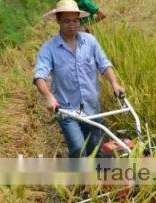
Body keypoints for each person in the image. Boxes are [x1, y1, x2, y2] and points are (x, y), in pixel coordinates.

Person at [33, 0, 124, 157]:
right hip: (67, 111)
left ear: (79, 20)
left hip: (92, 108)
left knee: (95, 150)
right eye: (66, 21)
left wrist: (115, 84)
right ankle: (79, 179)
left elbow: (104, 64)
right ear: (58, 21)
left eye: (75, 20)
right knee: (78, 148)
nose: (71, 25)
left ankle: (95, 179)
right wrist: (49, 97)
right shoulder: (49, 48)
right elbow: (39, 76)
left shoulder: (90, 42)